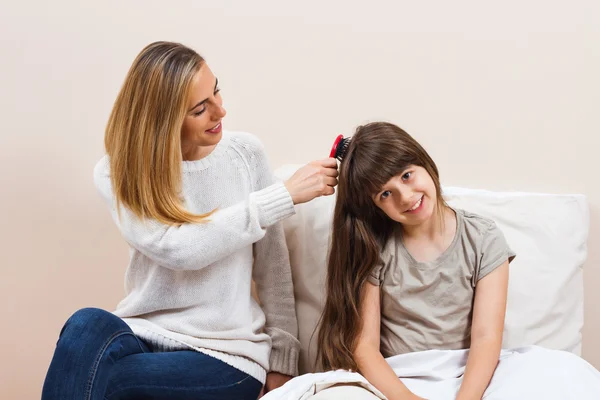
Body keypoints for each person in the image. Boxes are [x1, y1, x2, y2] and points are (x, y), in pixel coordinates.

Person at [42, 41, 338, 400]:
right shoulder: (118, 172)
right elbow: (177, 248)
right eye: (201, 109)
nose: (221, 111)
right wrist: (282, 196)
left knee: (109, 379)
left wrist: (281, 362)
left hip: (226, 356)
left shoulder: (245, 154)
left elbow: (273, 268)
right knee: (85, 324)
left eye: (217, 92)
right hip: (144, 334)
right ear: (163, 121)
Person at [317, 121, 514, 400]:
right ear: (375, 206)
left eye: (407, 176)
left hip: (471, 376)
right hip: (401, 379)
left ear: (424, 163)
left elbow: (486, 337)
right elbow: (365, 346)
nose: (406, 197)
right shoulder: (376, 249)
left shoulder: (483, 238)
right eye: (385, 194)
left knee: (562, 375)